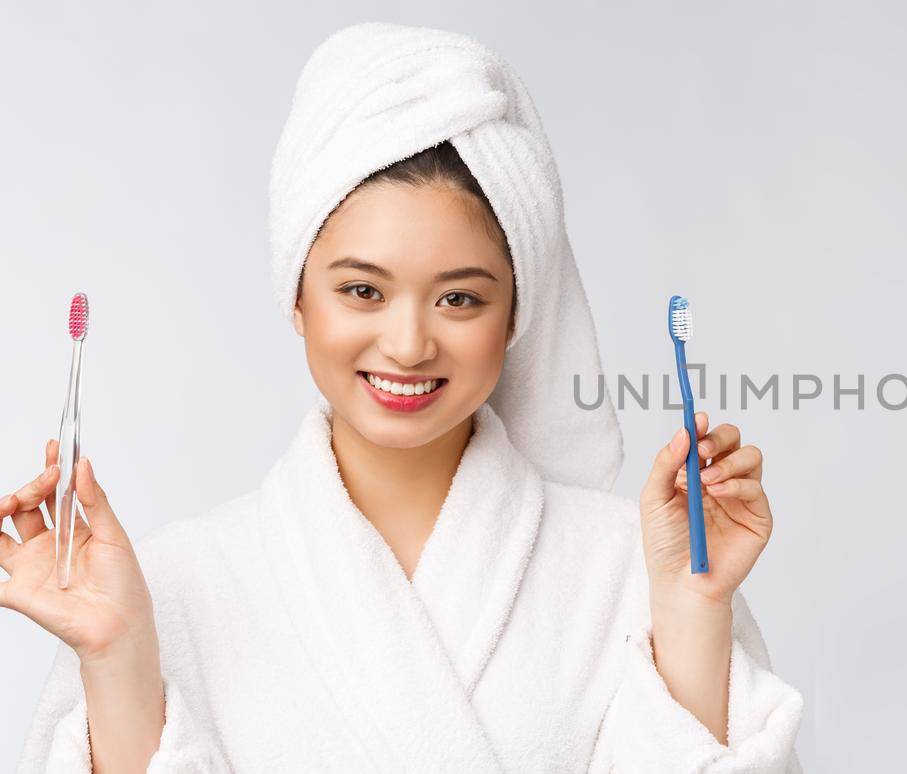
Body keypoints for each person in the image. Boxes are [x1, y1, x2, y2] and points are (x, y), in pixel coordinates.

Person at [2, 22, 803, 773]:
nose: (410, 344)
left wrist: (695, 607)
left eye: (460, 299)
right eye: (362, 290)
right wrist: (115, 655)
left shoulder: (630, 565)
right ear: (297, 297)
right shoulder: (175, 581)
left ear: (517, 313)